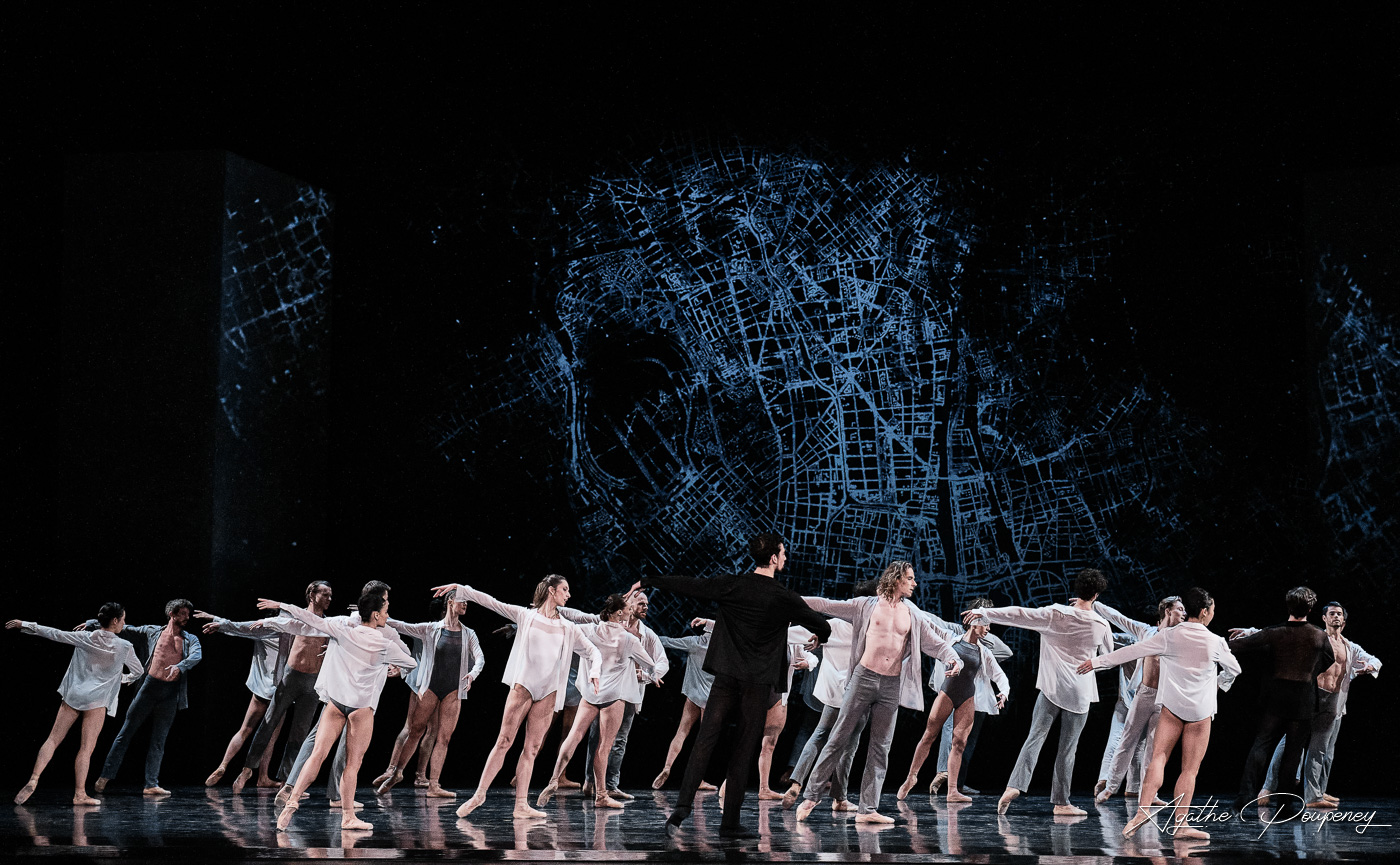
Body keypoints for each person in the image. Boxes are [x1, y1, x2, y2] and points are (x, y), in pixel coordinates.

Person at [635, 533, 831, 840]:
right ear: (774, 558)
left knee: (704, 741)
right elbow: (822, 625)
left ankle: (681, 810)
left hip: (726, 678)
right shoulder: (782, 596)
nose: (785, 558)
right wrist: (822, 637)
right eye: (783, 553)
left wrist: (649, 580)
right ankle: (729, 823)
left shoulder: (732, 585)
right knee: (742, 750)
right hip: (756, 685)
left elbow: (690, 585)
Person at [789, 561, 962, 823]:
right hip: (863, 679)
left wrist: (953, 658)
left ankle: (867, 809)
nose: (915, 583)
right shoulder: (865, 606)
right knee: (838, 737)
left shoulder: (912, 614)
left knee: (881, 747)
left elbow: (935, 643)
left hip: (891, 685)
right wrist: (788, 599)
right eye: (910, 578)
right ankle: (811, 796)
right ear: (896, 579)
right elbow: (825, 604)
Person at [431, 576, 601, 820]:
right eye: (565, 589)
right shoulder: (526, 616)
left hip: (549, 692)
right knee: (504, 740)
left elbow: (593, 651)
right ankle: (479, 794)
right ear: (551, 591)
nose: (568, 594)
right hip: (524, 686)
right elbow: (491, 602)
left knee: (531, 748)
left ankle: (521, 804)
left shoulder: (568, 627)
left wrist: (595, 671)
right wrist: (462, 589)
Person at [1080, 586, 1240, 840]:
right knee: (1189, 770)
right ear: (1205, 611)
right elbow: (1234, 670)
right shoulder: (1216, 641)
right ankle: (1180, 825)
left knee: (1158, 758)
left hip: (1171, 709)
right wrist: (1218, 684)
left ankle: (1141, 813)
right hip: (1200, 712)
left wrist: (1097, 662)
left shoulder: (1169, 636)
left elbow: (1131, 651)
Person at [262, 591, 417, 832]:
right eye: (385, 612)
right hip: (360, 708)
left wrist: (282, 604)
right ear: (375, 615)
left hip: (335, 704)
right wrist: (391, 663)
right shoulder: (384, 643)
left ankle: (292, 802)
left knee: (317, 755)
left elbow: (310, 619)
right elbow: (412, 662)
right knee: (353, 765)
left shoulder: (343, 629)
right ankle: (348, 816)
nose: (388, 616)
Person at [971, 567, 1112, 817]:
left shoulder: (1054, 613)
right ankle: (1061, 802)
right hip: (1079, 693)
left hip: (1051, 688)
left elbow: (1018, 614)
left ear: (1076, 589)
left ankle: (1014, 786)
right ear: (1097, 595)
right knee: (1068, 749)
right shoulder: (1100, 624)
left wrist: (983, 612)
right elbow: (1107, 659)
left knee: (1034, 738)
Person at [198, 580, 334, 791]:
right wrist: (222, 623)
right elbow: (250, 628)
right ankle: (247, 770)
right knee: (268, 723)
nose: (329, 599)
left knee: (300, 733)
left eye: (330, 595)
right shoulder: (291, 619)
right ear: (311, 595)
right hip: (290, 678)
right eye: (324, 594)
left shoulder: (329, 624)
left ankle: (288, 782)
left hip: (313, 684)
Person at [8, 603, 143, 805]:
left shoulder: (85, 637)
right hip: (96, 701)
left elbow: (54, 633)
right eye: (123, 619)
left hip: (74, 695)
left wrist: (24, 624)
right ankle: (79, 794)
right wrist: (121, 679)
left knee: (53, 739)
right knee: (86, 748)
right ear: (115, 621)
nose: (124, 623)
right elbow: (138, 671)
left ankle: (34, 778)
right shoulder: (124, 646)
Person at [1252, 601, 1379, 809]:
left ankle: (1314, 796)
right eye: (1332, 613)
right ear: (1324, 618)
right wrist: (1250, 633)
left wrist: (1371, 665)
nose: (1336, 616)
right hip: (1311, 697)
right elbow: (1283, 636)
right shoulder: (1315, 638)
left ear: (1344, 620)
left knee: (1321, 749)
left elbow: (1373, 659)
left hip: (1334, 700)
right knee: (1290, 742)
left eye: (1339, 613)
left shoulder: (1350, 646)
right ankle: (1267, 787)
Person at [538, 592, 661, 807]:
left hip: (590, 694)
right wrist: (652, 676)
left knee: (574, 736)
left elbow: (568, 626)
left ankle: (553, 779)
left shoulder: (590, 630)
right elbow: (650, 664)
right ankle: (601, 795)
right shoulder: (629, 639)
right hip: (613, 697)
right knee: (604, 747)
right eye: (628, 608)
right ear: (620, 612)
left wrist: (544, 613)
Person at [1227, 586, 1335, 819]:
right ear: (1310, 608)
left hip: (1276, 697)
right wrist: (1308, 672)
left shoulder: (1274, 633)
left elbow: (1237, 647)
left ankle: (1242, 801)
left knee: (1261, 747)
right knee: (1292, 754)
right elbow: (1329, 659)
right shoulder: (1318, 635)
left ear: (1288, 606)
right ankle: (1286, 806)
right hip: (1303, 699)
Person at [375, 591, 485, 797]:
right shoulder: (430, 629)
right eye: (463, 601)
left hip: (453, 690)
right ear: (451, 602)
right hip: (431, 688)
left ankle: (433, 784)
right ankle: (397, 773)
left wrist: (472, 674)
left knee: (443, 737)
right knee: (415, 730)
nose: (466, 605)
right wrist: (370, 613)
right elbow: (400, 625)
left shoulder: (469, 633)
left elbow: (480, 658)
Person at [896, 606, 1010, 802]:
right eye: (985, 625)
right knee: (929, 736)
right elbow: (929, 623)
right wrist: (907, 607)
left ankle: (952, 791)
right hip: (947, 693)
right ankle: (911, 777)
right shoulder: (951, 638)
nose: (988, 629)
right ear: (974, 624)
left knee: (959, 743)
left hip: (967, 697)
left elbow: (999, 675)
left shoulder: (984, 652)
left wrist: (1004, 692)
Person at [94, 598, 203, 796]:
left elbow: (196, 656)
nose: (187, 617)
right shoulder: (153, 631)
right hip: (149, 689)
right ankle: (105, 776)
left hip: (170, 694)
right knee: (125, 733)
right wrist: (94, 624)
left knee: (159, 740)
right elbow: (127, 629)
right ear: (172, 614)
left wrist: (180, 666)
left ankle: (151, 784)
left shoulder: (190, 639)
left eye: (188, 614)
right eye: (183, 613)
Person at [1092, 595, 1187, 804]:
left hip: (1164, 699)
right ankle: (1110, 788)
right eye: (1180, 609)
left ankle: (1150, 793)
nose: (1184, 613)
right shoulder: (1146, 631)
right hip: (1143, 694)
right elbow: (1119, 618)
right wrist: (1094, 603)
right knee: (1127, 741)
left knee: (1153, 749)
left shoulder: (1182, 638)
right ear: (1168, 611)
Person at [653, 618, 718, 790]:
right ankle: (698, 779)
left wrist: (641, 635)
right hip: (709, 700)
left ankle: (667, 767)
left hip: (692, 696)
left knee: (681, 732)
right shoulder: (723, 650)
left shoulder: (694, 643)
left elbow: (665, 641)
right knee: (703, 741)